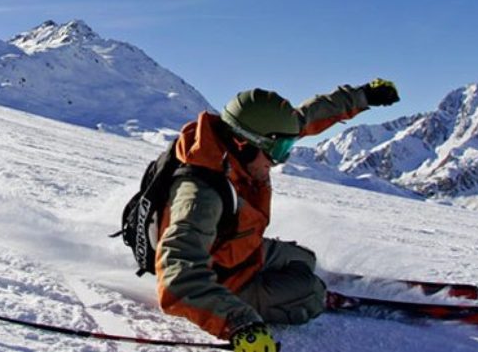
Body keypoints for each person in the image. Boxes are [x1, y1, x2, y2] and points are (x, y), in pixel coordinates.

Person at [153, 80, 399, 352]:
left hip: (234, 248)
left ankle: (285, 284)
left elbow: (304, 118)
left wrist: (362, 96)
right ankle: (298, 298)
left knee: (304, 258)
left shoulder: (237, 146)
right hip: (218, 276)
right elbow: (178, 277)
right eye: (278, 151)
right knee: (310, 294)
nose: (278, 162)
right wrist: (239, 323)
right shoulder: (201, 195)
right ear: (243, 143)